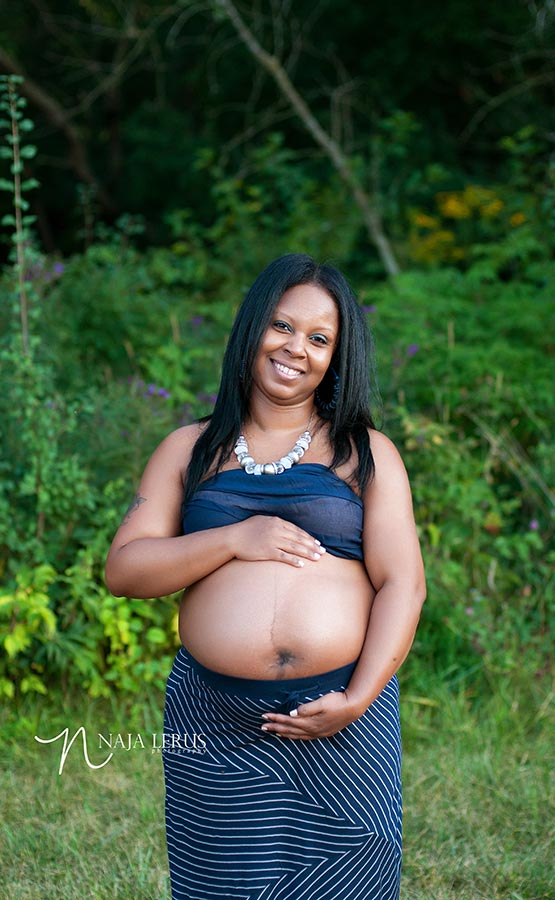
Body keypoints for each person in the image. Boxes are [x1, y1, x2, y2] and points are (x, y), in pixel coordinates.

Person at [105, 253, 426, 900]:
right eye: (282, 326)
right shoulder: (189, 449)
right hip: (215, 717)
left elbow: (404, 585)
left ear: (336, 358)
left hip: (342, 714)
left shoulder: (366, 453)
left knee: (349, 880)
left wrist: (358, 699)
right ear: (251, 328)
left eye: (318, 338)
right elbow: (126, 569)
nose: (295, 349)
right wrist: (230, 539)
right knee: (224, 885)